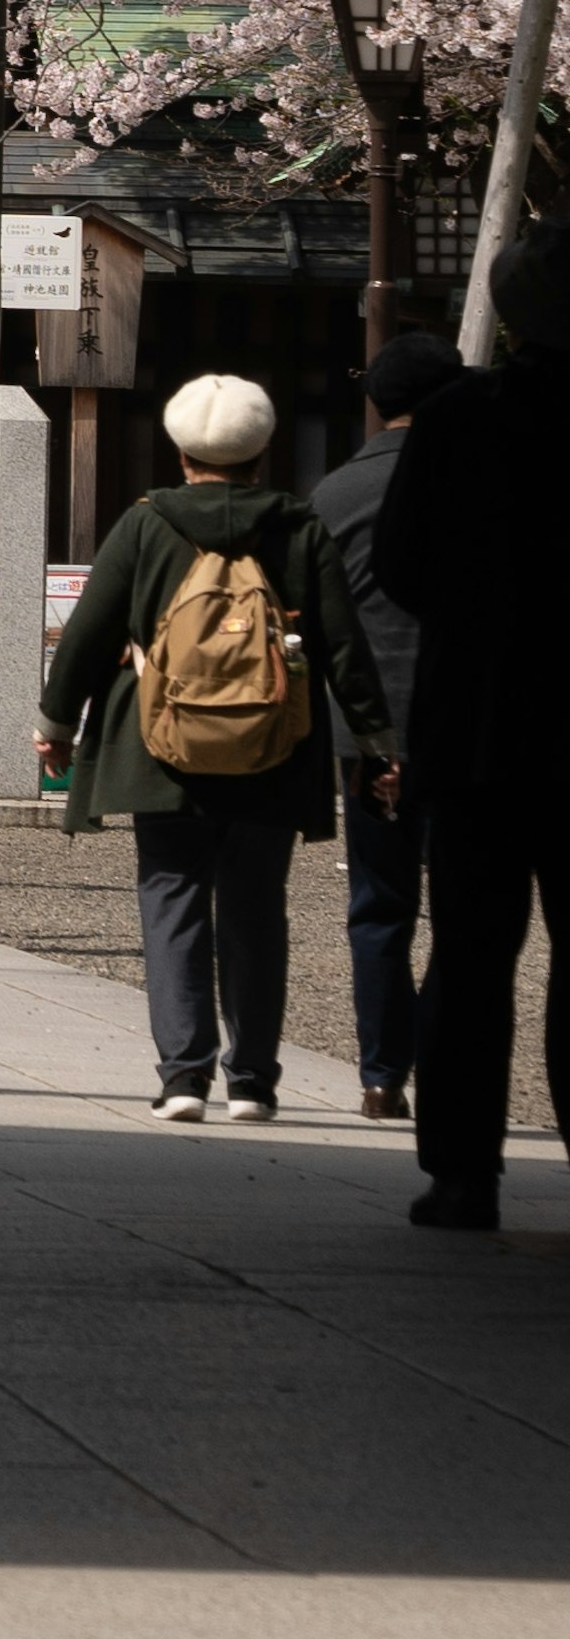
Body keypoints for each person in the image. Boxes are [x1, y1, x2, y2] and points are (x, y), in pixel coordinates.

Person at [39, 370, 393, 1130]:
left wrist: (57, 723)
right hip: (275, 746)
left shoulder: (145, 525)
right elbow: (342, 647)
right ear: (262, 452)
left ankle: (183, 1077)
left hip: (159, 746)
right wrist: (374, 740)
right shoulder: (297, 528)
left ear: (181, 452)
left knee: (172, 902)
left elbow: (91, 633)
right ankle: (255, 1082)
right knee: (257, 910)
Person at [362, 229, 570, 1235]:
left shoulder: (457, 419)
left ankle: (461, 1171)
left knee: (473, 954)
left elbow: (401, 564)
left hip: (480, 720)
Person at [313, 329, 462, 1127]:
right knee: (467, 912)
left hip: (365, 730)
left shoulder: (336, 492)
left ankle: (380, 1075)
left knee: (379, 905)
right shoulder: (478, 485)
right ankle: (445, 1065)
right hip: (464, 723)